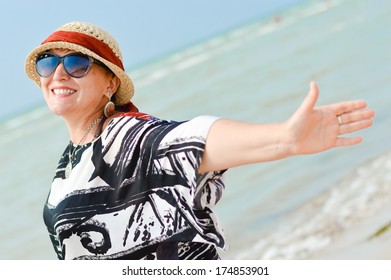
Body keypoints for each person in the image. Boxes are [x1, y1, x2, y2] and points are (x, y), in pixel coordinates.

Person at [25, 21, 375, 260]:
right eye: (47, 62)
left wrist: (283, 139)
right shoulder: (69, 162)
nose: (58, 73)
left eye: (76, 63)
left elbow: (191, 138)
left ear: (109, 84)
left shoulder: (128, 136)